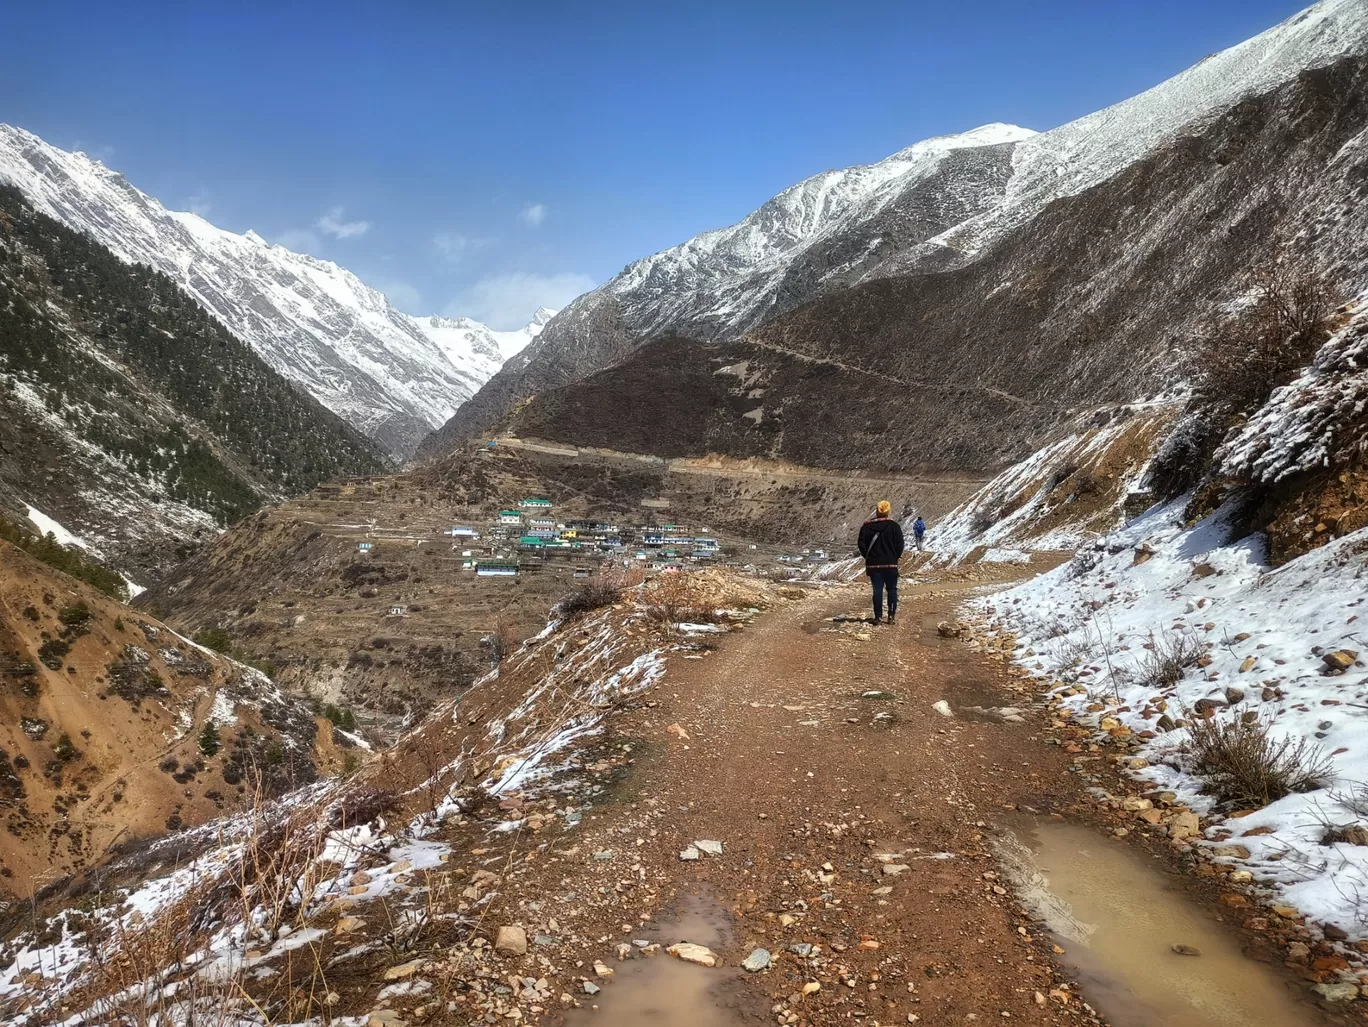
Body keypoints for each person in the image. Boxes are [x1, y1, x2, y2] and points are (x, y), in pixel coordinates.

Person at [857, 500, 905, 625]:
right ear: (888, 511)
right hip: (890, 564)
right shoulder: (894, 526)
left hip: (874, 564)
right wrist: (895, 556)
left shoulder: (866, 526)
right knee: (892, 589)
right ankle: (891, 616)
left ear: (877, 511)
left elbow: (861, 544)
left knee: (877, 590)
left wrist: (868, 556)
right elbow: (900, 545)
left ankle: (878, 617)